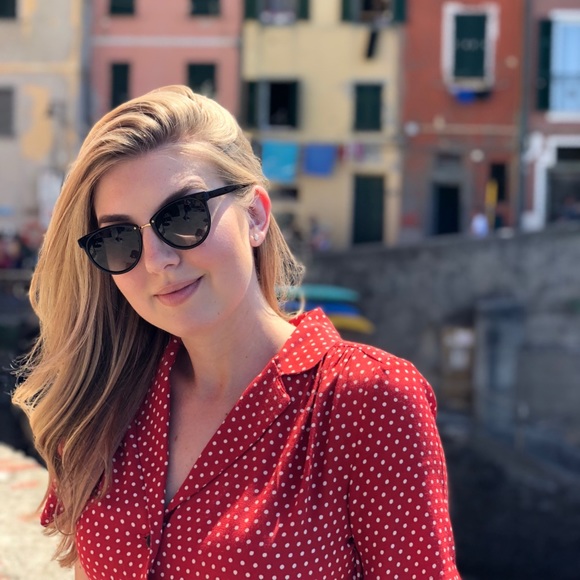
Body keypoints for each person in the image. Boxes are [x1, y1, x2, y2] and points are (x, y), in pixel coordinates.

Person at [12, 86, 459, 579]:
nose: (158, 260)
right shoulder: (105, 401)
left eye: (183, 217)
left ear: (256, 216)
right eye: (119, 238)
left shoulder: (367, 400)